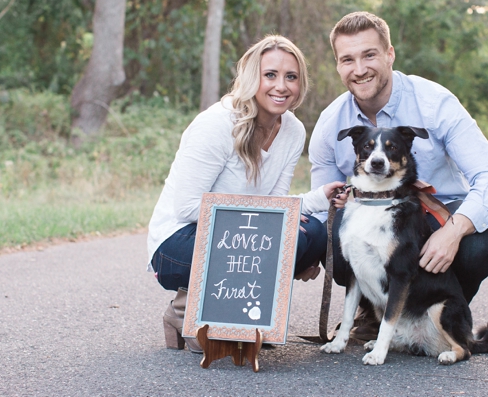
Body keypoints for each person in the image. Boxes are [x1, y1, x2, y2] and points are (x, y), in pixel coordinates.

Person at [309, 11, 488, 339]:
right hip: (374, 221)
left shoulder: (435, 103)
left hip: (436, 218)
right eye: (347, 59)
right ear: (337, 64)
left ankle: (444, 311)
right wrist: (311, 247)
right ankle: (374, 312)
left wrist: (454, 231)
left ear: (390, 54)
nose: (359, 70)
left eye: (369, 55)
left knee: (476, 246)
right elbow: (323, 203)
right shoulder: (332, 121)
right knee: (336, 241)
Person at [147, 35, 344, 353]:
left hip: (236, 237)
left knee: (314, 233)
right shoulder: (216, 123)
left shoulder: (292, 130)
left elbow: (274, 205)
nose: (281, 86)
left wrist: (319, 198)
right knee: (274, 237)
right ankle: (187, 310)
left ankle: (238, 316)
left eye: (290, 77)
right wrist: (271, 231)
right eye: (270, 75)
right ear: (253, 77)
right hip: (177, 243)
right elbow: (185, 207)